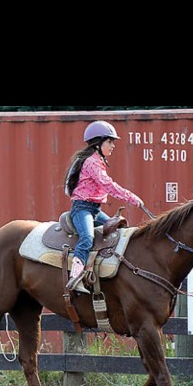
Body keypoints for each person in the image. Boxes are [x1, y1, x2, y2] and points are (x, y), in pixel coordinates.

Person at [64, 121, 144, 294]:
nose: (113, 146)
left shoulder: (98, 161)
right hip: (82, 209)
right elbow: (108, 185)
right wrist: (131, 197)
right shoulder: (92, 163)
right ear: (98, 143)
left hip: (94, 210)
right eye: (110, 141)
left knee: (116, 232)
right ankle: (75, 278)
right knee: (87, 237)